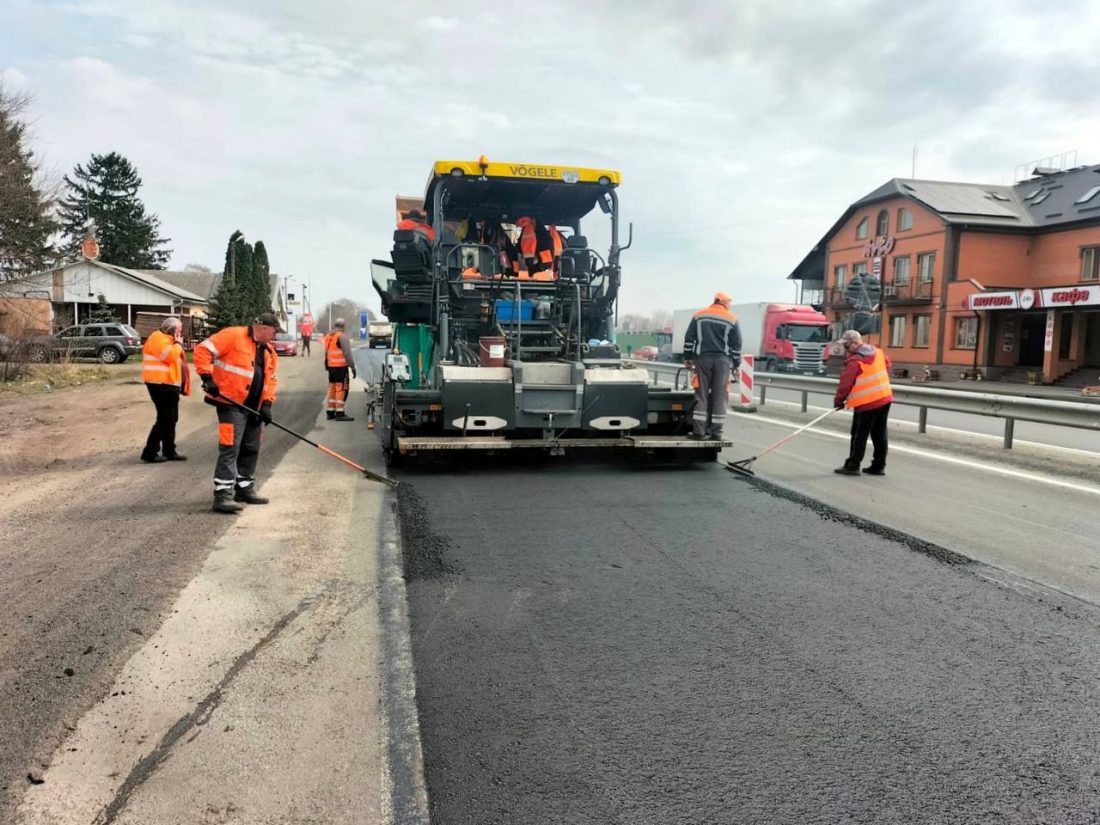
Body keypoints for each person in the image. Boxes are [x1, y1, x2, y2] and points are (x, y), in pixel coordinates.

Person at [194, 313, 281, 513]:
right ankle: (223, 495)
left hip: (254, 408)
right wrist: (207, 377)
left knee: (251, 448)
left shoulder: (269, 352)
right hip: (230, 403)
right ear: (263, 328)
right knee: (230, 447)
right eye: (274, 331)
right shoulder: (233, 336)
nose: (275, 336)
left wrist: (267, 404)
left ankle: (244, 489)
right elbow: (202, 350)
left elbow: (271, 380)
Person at [832, 329, 893, 476]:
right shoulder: (877, 352)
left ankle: (852, 466)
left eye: (847, 346)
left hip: (867, 402)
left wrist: (839, 401)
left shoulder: (855, 360)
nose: (846, 349)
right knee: (880, 433)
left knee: (859, 434)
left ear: (854, 343)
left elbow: (845, 384)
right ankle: (878, 466)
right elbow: (887, 366)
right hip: (884, 398)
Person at [683, 292, 742, 440]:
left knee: (701, 394)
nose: (730, 306)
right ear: (724, 303)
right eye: (729, 303)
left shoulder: (699, 316)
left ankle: (699, 432)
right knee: (720, 396)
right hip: (722, 361)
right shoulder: (732, 319)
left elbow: (689, 338)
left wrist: (688, 358)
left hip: (703, 359)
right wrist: (736, 364)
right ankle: (717, 433)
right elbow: (736, 344)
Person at [140, 316, 191, 463]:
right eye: (179, 330)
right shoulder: (158, 339)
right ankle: (150, 452)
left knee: (171, 418)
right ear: (172, 329)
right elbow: (170, 356)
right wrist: (179, 344)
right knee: (164, 419)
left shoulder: (166, 339)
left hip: (168, 385)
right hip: (160, 384)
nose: (180, 334)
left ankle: (169, 450)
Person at [323, 318, 357, 421]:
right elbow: (347, 354)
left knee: (332, 388)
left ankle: (330, 411)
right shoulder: (342, 337)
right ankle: (340, 412)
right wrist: (353, 367)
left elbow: (326, 352)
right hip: (341, 368)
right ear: (343, 327)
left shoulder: (329, 336)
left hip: (331, 367)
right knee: (342, 388)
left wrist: (327, 364)